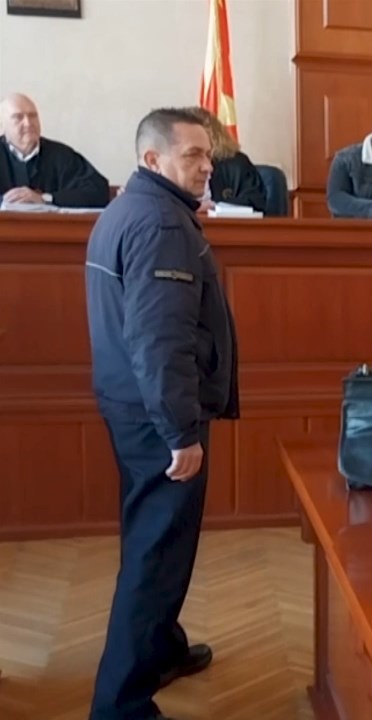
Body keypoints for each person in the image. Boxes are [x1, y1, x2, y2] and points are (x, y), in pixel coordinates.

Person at [85, 107, 240, 720]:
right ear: (153, 159)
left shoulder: (128, 208)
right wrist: (180, 431)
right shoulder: (162, 224)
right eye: (192, 155)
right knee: (156, 556)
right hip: (158, 418)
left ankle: (161, 649)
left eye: (208, 155)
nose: (206, 167)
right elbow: (160, 340)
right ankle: (120, 705)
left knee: (154, 539)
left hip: (131, 405)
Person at [0, 92, 111, 208]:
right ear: (2, 125)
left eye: (32, 116)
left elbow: (99, 192)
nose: (28, 123)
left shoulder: (61, 155)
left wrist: (45, 198)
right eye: (18, 117)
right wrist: (7, 200)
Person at [186, 106, 268, 213]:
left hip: (226, 223)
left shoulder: (236, 163)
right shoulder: (173, 165)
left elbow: (255, 202)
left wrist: (214, 207)